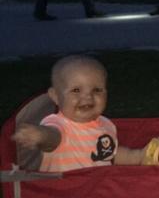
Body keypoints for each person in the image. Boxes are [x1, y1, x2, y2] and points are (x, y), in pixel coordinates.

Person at [11, 55, 144, 171]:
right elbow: (53, 137)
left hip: (98, 187)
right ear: (56, 96)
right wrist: (41, 135)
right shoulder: (59, 124)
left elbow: (110, 155)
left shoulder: (106, 124)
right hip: (67, 190)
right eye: (76, 90)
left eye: (97, 90)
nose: (88, 97)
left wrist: (137, 156)